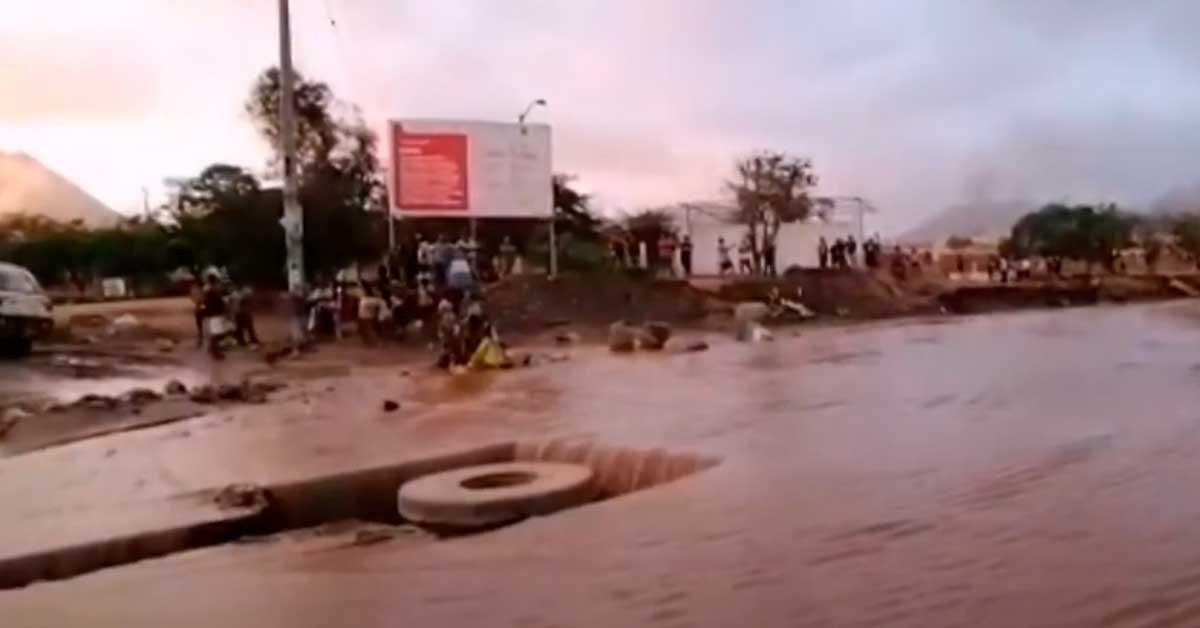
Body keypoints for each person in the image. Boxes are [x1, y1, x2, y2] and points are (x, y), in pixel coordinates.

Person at [199, 274, 231, 359]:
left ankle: (214, 351)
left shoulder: (208, 290)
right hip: (215, 314)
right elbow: (220, 302)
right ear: (215, 281)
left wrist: (204, 311)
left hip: (211, 314)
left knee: (215, 333)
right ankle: (216, 352)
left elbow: (204, 303)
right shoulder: (214, 291)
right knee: (216, 334)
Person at [228, 281, 260, 348]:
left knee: (245, 327)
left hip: (241, 312)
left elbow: (233, 304)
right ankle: (246, 340)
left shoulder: (237, 294)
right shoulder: (236, 294)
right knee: (244, 328)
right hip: (240, 312)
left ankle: (246, 340)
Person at [189, 280, 205, 348]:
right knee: (201, 324)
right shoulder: (204, 289)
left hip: (200, 308)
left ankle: (201, 339)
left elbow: (193, 299)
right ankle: (201, 338)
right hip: (203, 307)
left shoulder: (196, 290)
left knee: (200, 324)